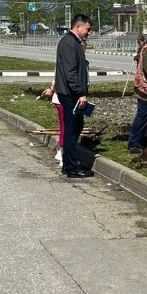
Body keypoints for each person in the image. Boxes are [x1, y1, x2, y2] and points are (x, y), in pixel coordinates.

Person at [54, 14, 94, 178]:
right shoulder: (69, 43)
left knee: (76, 128)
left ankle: (72, 161)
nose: (89, 33)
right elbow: (71, 73)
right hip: (71, 95)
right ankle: (70, 167)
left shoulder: (73, 42)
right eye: (88, 29)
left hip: (73, 94)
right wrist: (80, 93)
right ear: (78, 27)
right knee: (71, 130)